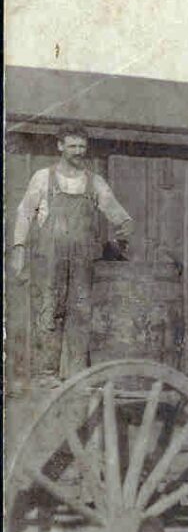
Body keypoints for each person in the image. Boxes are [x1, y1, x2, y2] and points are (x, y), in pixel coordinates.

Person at [9, 123, 134, 385]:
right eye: (73, 146)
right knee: (48, 311)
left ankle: (78, 374)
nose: (78, 151)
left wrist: (120, 237)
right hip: (48, 259)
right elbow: (24, 214)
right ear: (60, 146)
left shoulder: (95, 182)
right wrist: (18, 248)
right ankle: (47, 374)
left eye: (82, 146)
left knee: (80, 314)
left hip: (83, 262)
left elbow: (120, 217)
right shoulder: (43, 178)